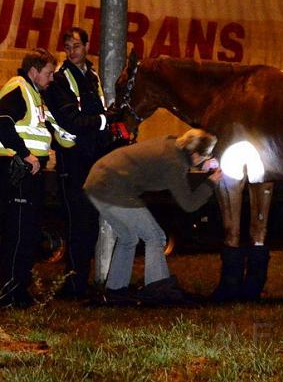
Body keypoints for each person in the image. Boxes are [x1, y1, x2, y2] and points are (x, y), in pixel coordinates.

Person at [84, 129, 222, 305]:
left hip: (96, 182)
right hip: (114, 188)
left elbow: (178, 182)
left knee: (128, 238)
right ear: (195, 154)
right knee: (155, 236)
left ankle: (115, 291)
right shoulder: (175, 162)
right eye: (207, 155)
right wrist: (210, 183)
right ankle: (158, 289)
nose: (208, 159)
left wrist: (200, 171)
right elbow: (189, 203)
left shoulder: (170, 145)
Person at [42, 27, 130, 299]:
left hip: (93, 160)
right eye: (67, 46)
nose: (71, 51)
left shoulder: (92, 76)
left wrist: (113, 133)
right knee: (77, 226)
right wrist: (104, 121)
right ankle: (74, 286)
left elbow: (96, 115)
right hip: (72, 162)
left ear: (87, 46)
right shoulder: (60, 79)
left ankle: (81, 283)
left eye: (76, 45)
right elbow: (73, 122)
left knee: (89, 225)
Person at [0, 48, 76, 310]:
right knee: (18, 232)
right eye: (49, 73)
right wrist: (26, 155)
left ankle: (19, 291)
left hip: (31, 170)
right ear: (34, 71)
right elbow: (2, 122)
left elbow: (57, 133)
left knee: (27, 232)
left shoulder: (35, 94)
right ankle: (10, 294)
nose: (52, 78)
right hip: (19, 169)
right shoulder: (18, 88)